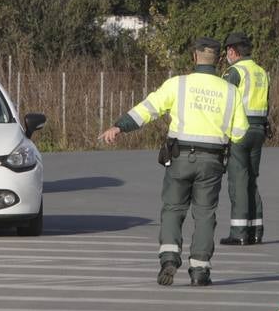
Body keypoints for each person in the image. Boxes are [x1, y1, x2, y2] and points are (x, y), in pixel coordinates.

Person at [100, 38, 248, 286]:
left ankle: (169, 258)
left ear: (194, 57)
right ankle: (200, 270)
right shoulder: (230, 91)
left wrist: (119, 127)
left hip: (180, 158)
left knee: (173, 209)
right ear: (219, 60)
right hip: (212, 160)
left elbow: (148, 109)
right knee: (204, 214)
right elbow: (240, 131)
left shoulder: (178, 85)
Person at [219, 31, 270, 246]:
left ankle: (239, 232)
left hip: (240, 130)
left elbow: (224, 103)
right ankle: (256, 230)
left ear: (232, 51)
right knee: (251, 180)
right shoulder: (261, 72)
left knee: (238, 181)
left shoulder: (234, 72)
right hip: (259, 129)